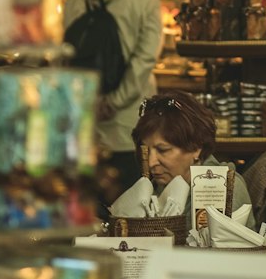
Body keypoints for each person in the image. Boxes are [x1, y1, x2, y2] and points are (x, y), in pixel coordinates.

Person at [64, 0, 161, 199]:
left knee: (89, 205)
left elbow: (66, 53)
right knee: (129, 205)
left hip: (84, 117)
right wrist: (115, 101)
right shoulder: (146, 1)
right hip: (128, 122)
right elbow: (145, 60)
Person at [109, 91, 255, 230]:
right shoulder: (156, 190)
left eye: (163, 150)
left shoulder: (224, 189)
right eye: (146, 152)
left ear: (197, 147)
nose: (151, 162)